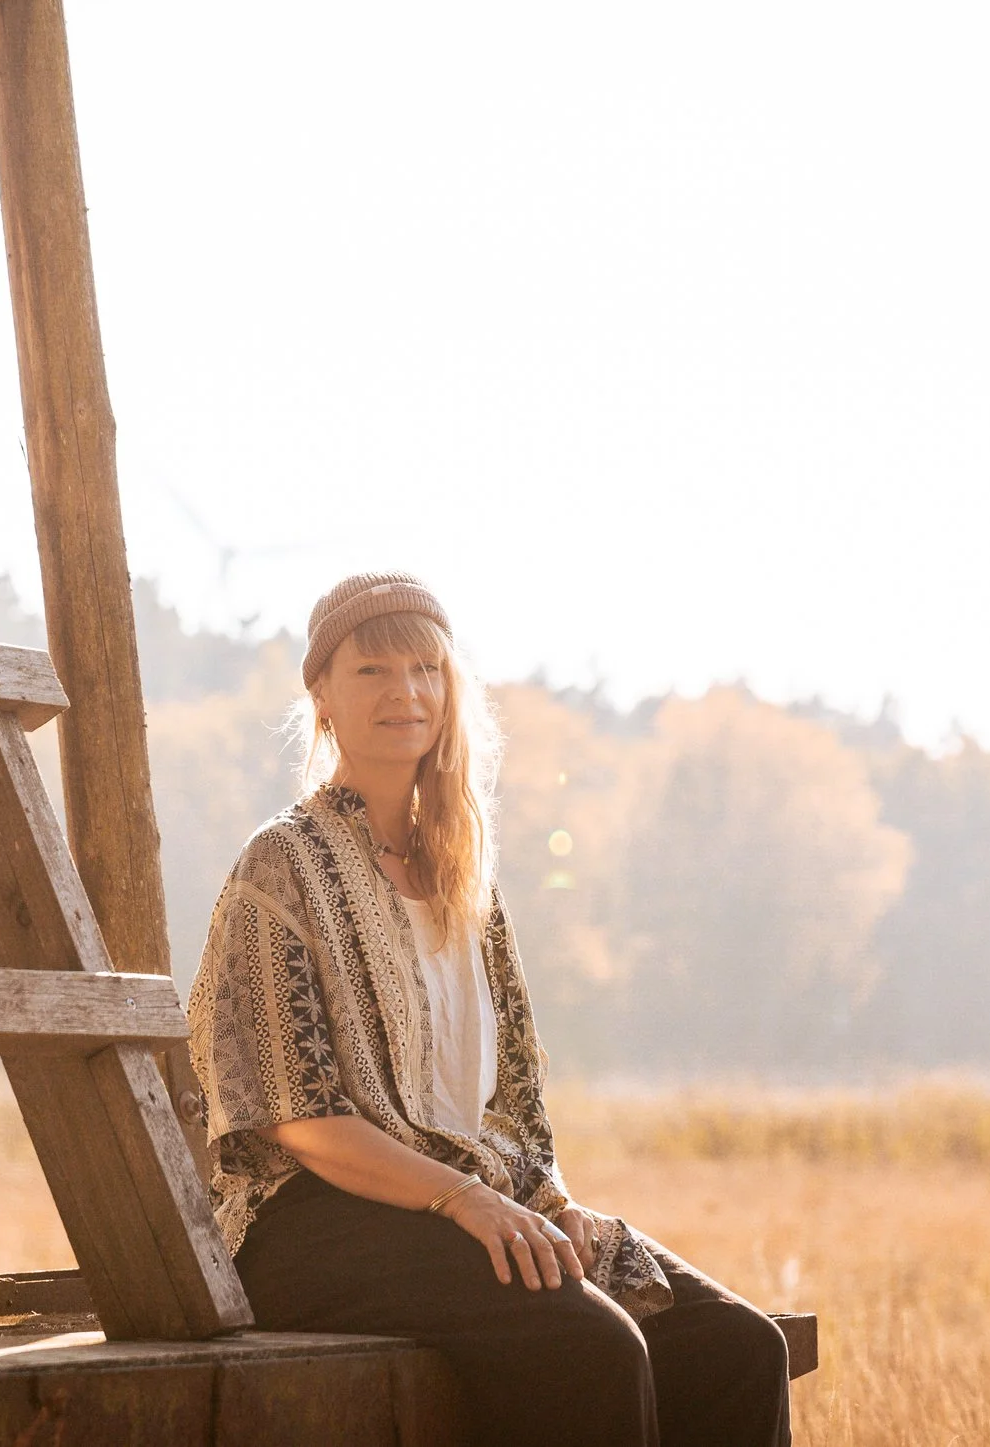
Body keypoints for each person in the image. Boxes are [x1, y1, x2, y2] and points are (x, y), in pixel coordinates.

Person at [188, 572, 792, 1447]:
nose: (406, 691)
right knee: (593, 1346)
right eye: (373, 670)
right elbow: (296, 1117)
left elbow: (511, 1096)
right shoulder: (281, 865)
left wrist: (549, 1198)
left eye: (426, 667)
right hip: (309, 1221)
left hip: (469, 1197)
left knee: (735, 1344)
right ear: (321, 693)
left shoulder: (465, 875)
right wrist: (464, 1201)